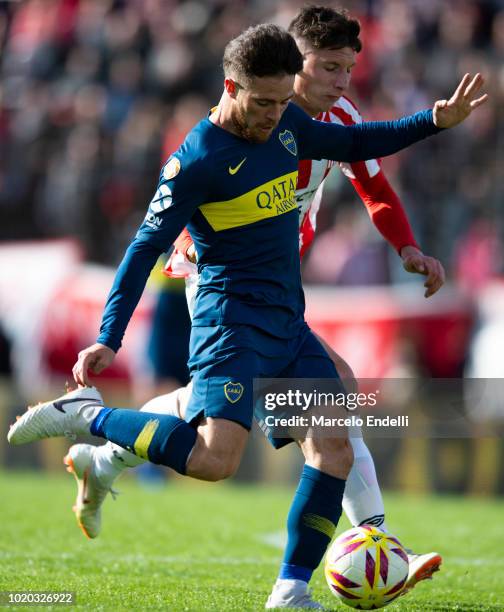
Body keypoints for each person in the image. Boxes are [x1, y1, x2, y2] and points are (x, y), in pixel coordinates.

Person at [8, 22, 486, 610]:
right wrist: (109, 336)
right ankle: (93, 418)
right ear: (230, 87)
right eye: (263, 102)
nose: (274, 116)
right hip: (228, 316)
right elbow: (141, 249)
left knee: (333, 440)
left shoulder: (291, 122)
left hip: (286, 313)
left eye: (283, 102)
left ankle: (291, 588)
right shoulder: (197, 160)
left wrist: (433, 122)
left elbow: (361, 148)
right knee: (214, 459)